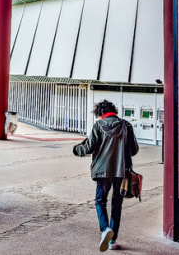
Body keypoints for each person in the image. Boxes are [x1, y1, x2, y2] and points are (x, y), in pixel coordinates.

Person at [74, 100, 138, 252]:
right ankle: (112, 241)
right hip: (121, 172)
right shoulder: (126, 125)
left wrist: (77, 150)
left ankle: (105, 229)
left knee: (100, 201)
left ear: (100, 113)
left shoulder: (98, 126)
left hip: (103, 172)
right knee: (117, 204)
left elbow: (89, 147)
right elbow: (134, 150)